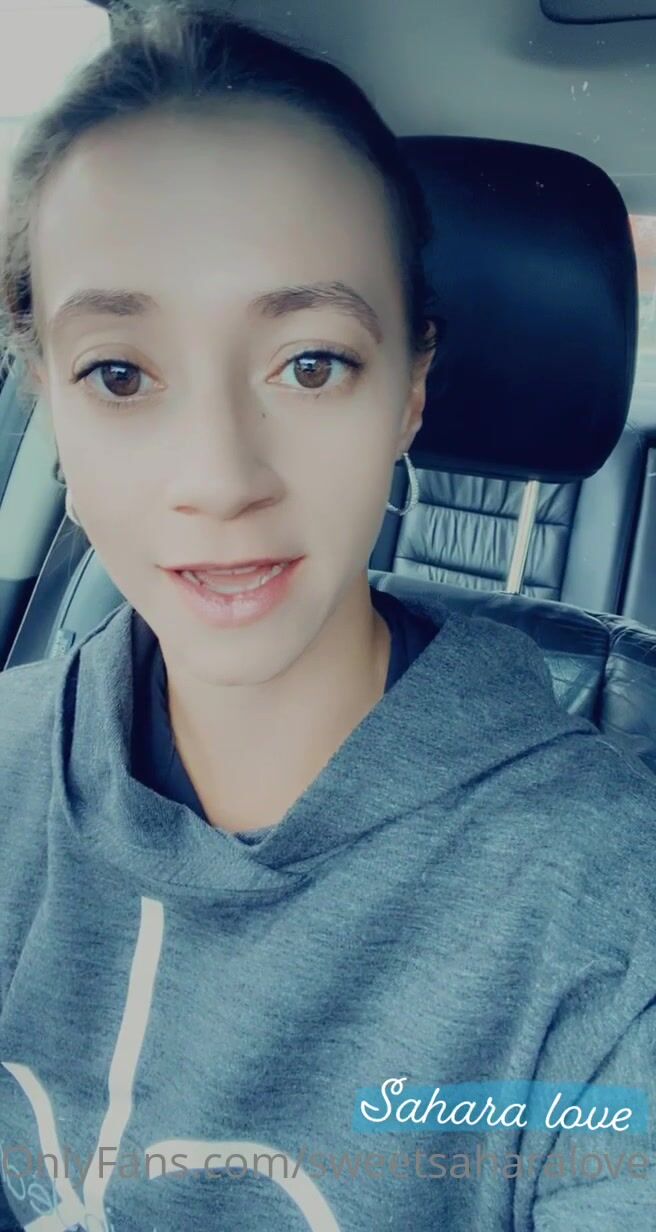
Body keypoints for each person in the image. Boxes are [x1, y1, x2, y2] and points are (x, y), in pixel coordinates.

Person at [0, 3, 654, 1229]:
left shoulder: (609, 913)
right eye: (120, 373)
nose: (219, 476)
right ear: (50, 401)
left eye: (310, 363)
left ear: (409, 387)